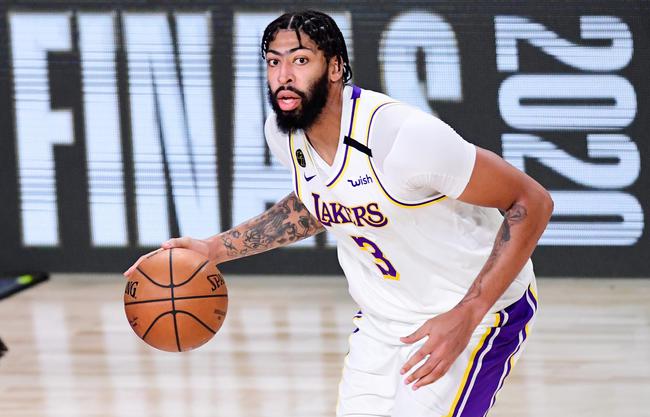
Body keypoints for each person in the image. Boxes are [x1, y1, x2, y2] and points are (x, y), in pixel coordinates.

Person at [125, 10, 553, 417]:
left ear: (335, 67)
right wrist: (214, 249)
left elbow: (531, 201)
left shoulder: (402, 138)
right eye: (274, 62)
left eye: (300, 60)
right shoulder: (283, 133)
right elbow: (321, 201)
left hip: (472, 313)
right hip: (383, 322)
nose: (283, 76)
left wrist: (469, 312)